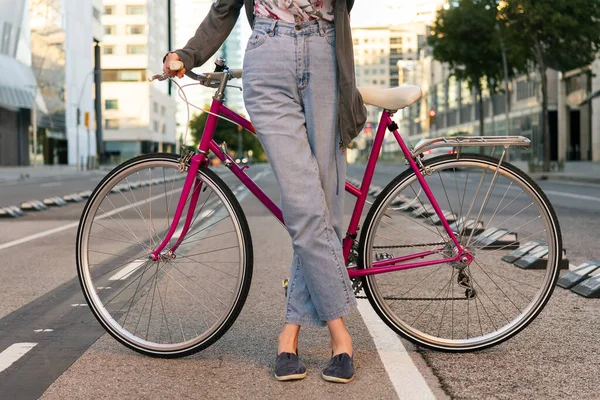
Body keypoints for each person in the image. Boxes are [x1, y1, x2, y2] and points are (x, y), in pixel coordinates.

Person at [163, 0, 367, 383]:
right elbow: (224, 9)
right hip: (268, 55)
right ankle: (341, 336)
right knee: (305, 205)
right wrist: (188, 54)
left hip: (325, 53)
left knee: (320, 207)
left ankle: (288, 336)